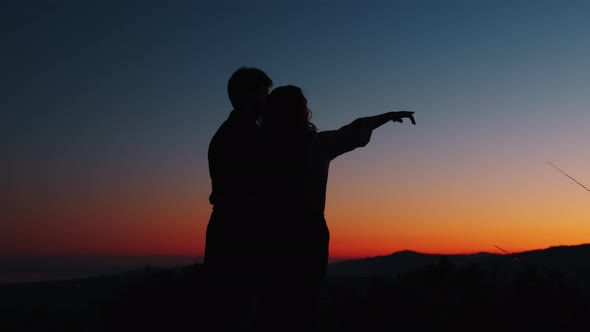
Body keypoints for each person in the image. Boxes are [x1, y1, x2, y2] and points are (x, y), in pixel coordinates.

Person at [254, 85, 416, 331]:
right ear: (301, 112)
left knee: (273, 302)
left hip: (269, 233)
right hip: (308, 232)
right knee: (304, 303)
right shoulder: (316, 145)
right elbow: (355, 131)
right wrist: (388, 115)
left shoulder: (259, 148)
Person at [204, 67, 272, 331]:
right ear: (251, 95)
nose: (268, 99)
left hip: (229, 233)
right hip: (240, 237)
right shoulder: (245, 135)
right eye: (265, 92)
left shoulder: (232, 131)